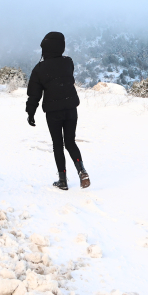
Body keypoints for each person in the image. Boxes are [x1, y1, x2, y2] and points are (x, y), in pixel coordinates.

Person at [26, 31, 90, 191]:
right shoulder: (68, 62)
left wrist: (31, 112)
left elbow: (34, 94)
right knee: (70, 142)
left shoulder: (39, 68)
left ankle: (62, 180)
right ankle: (81, 170)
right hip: (70, 108)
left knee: (57, 144)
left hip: (53, 111)